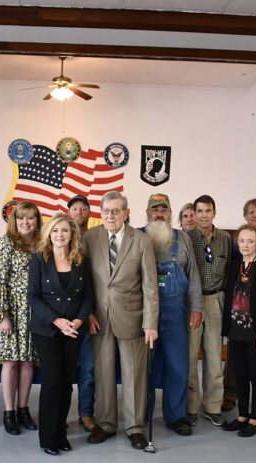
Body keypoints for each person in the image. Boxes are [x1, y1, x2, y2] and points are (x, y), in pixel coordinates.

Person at [82, 191, 159, 450]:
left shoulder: (142, 241)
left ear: (126, 213)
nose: (110, 216)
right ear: (100, 213)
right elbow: (83, 282)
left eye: (116, 211)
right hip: (99, 318)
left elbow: (150, 286)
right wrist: (87, 313)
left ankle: (135, 428)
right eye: (106, 211)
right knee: (103, 372)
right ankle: (105, 423)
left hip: (133, 317)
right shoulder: (90, 237)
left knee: (134, 374)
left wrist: (151, 323)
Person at [28, 213, 94, 455]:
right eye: (55, 230)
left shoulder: (80, 259)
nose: (60, 235)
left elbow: (88, 296)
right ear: (49, 233)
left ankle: (60, 433)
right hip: (47, 328)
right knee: (53, 381)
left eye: (65, 230)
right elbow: (32, 296)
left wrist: (77, 321)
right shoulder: (39, 258)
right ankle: (47, 437)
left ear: (72, 234)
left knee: (67, 383)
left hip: (73, 329)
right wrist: (58, 321)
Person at [142, 194, 203, 436]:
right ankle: (141, 415)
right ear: (147, 212)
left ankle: (176, 416)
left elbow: (194, 276)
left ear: (170, 213)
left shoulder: (183, 239)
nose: (159, 214)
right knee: (143, 368)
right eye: (154, 210)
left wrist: (197, 307)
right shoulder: (136, 236)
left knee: (178, 366)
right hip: (144, 315)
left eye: (163, 210)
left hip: (176, 313)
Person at [0, 201, 41, 435]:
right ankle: (9, 412)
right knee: (11, 362)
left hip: (34, 312)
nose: (26, 222)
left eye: (30, 217)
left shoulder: (41, 244)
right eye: (21, 218)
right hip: (11, 312)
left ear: (37, 220)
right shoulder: (6, 243)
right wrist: (3, 315)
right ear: (14, 221)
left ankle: (23, 409)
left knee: (28, 362)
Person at [221, 224, 256, 438]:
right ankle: (242, 416)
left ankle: (255, 419)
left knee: (255, 376)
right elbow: (229, 298)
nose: (246, 245)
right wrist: (227, 328)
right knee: (241, 376)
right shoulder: (235, 266)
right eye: (242, 241)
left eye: (250, 241)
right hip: (236, 331)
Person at [186, 195, 230, 427]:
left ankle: (213, 406)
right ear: (194, 214)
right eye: (199, 211)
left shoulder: (225, 239)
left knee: (214, 356)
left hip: (215, 300)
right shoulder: (186, 238)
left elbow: (231, 272)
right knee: (191, 355)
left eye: (208, 210)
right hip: (192, 301)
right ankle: (191, 406)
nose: (204, 215)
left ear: (214, 212)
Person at [67, 194, 97, 432]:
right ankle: (58, 415)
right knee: (63, 372)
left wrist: (90, 313)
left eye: (83, 209)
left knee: (88, 369)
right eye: (74, 209)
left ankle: (86, 412)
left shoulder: (97, 239)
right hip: (64, 317)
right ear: (69, 213)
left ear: (89, 213)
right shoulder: (60, 239)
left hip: (90, 315)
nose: (79, 213)